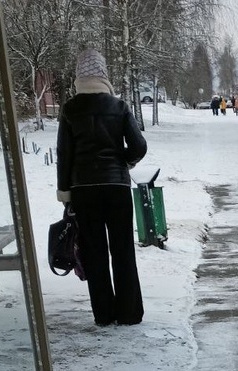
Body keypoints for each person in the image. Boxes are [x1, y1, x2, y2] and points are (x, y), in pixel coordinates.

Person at [56, 48, 148, 326]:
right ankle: (130, 313)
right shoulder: (118, 107)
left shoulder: (70, 109)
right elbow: (139, 146)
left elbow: (64, 154)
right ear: (104, 76)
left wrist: (65, 192)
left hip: (84, 191)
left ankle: (104, 314)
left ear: (78, 79)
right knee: (122, 251)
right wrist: (123, 163)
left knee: (94, 251)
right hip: (116, 187)